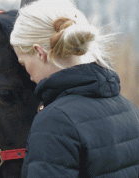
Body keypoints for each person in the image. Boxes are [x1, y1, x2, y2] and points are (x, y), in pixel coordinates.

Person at [10, 0, 139, 177]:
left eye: (24, 64)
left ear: (40, 53)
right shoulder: (130, 110)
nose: (30, 76)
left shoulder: (55, 122)